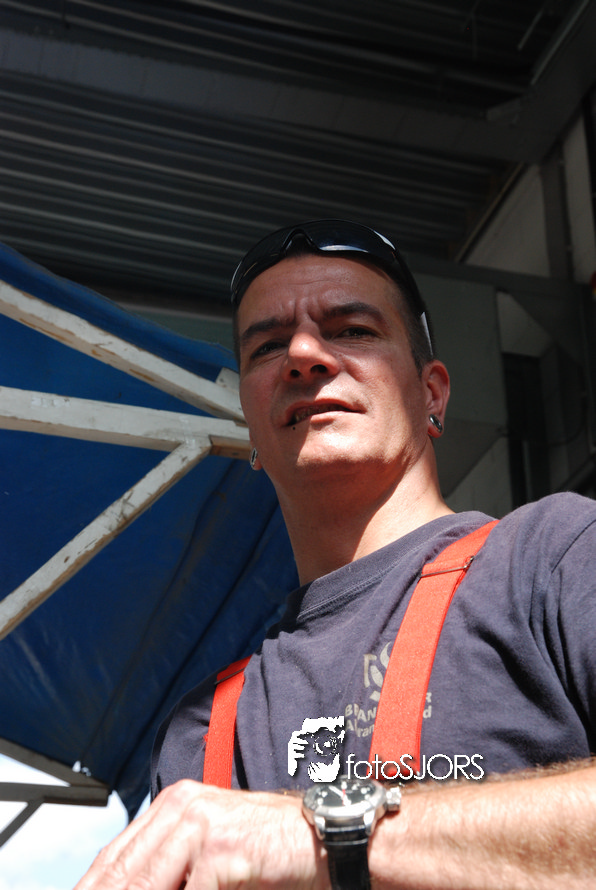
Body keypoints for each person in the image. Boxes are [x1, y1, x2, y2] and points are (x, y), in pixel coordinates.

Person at [77, 220, 596, 890]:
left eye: (352, 330)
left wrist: (317, 835)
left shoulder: (557, 556)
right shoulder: (201, 735)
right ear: (250, 429)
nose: (303, 354)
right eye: (268, 346)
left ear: (432, 394)